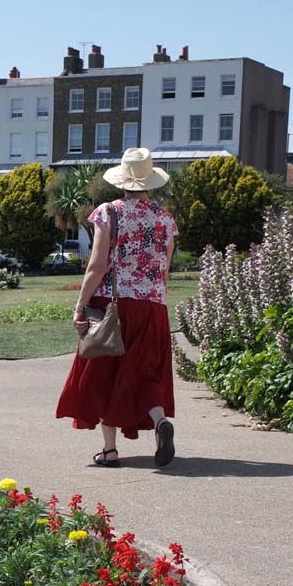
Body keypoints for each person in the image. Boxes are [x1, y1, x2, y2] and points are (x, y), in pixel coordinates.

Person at [55, 148, 179, 468]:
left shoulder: (109, 212)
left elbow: (97, 266)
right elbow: (164, 269)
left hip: (114, 306)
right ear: (151, 182)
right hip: (152, 308)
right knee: (145, 372)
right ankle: (159, 420)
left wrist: (80, 306)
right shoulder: (165, 219)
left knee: (106, 373)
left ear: (122, 180)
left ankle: (109, 451)